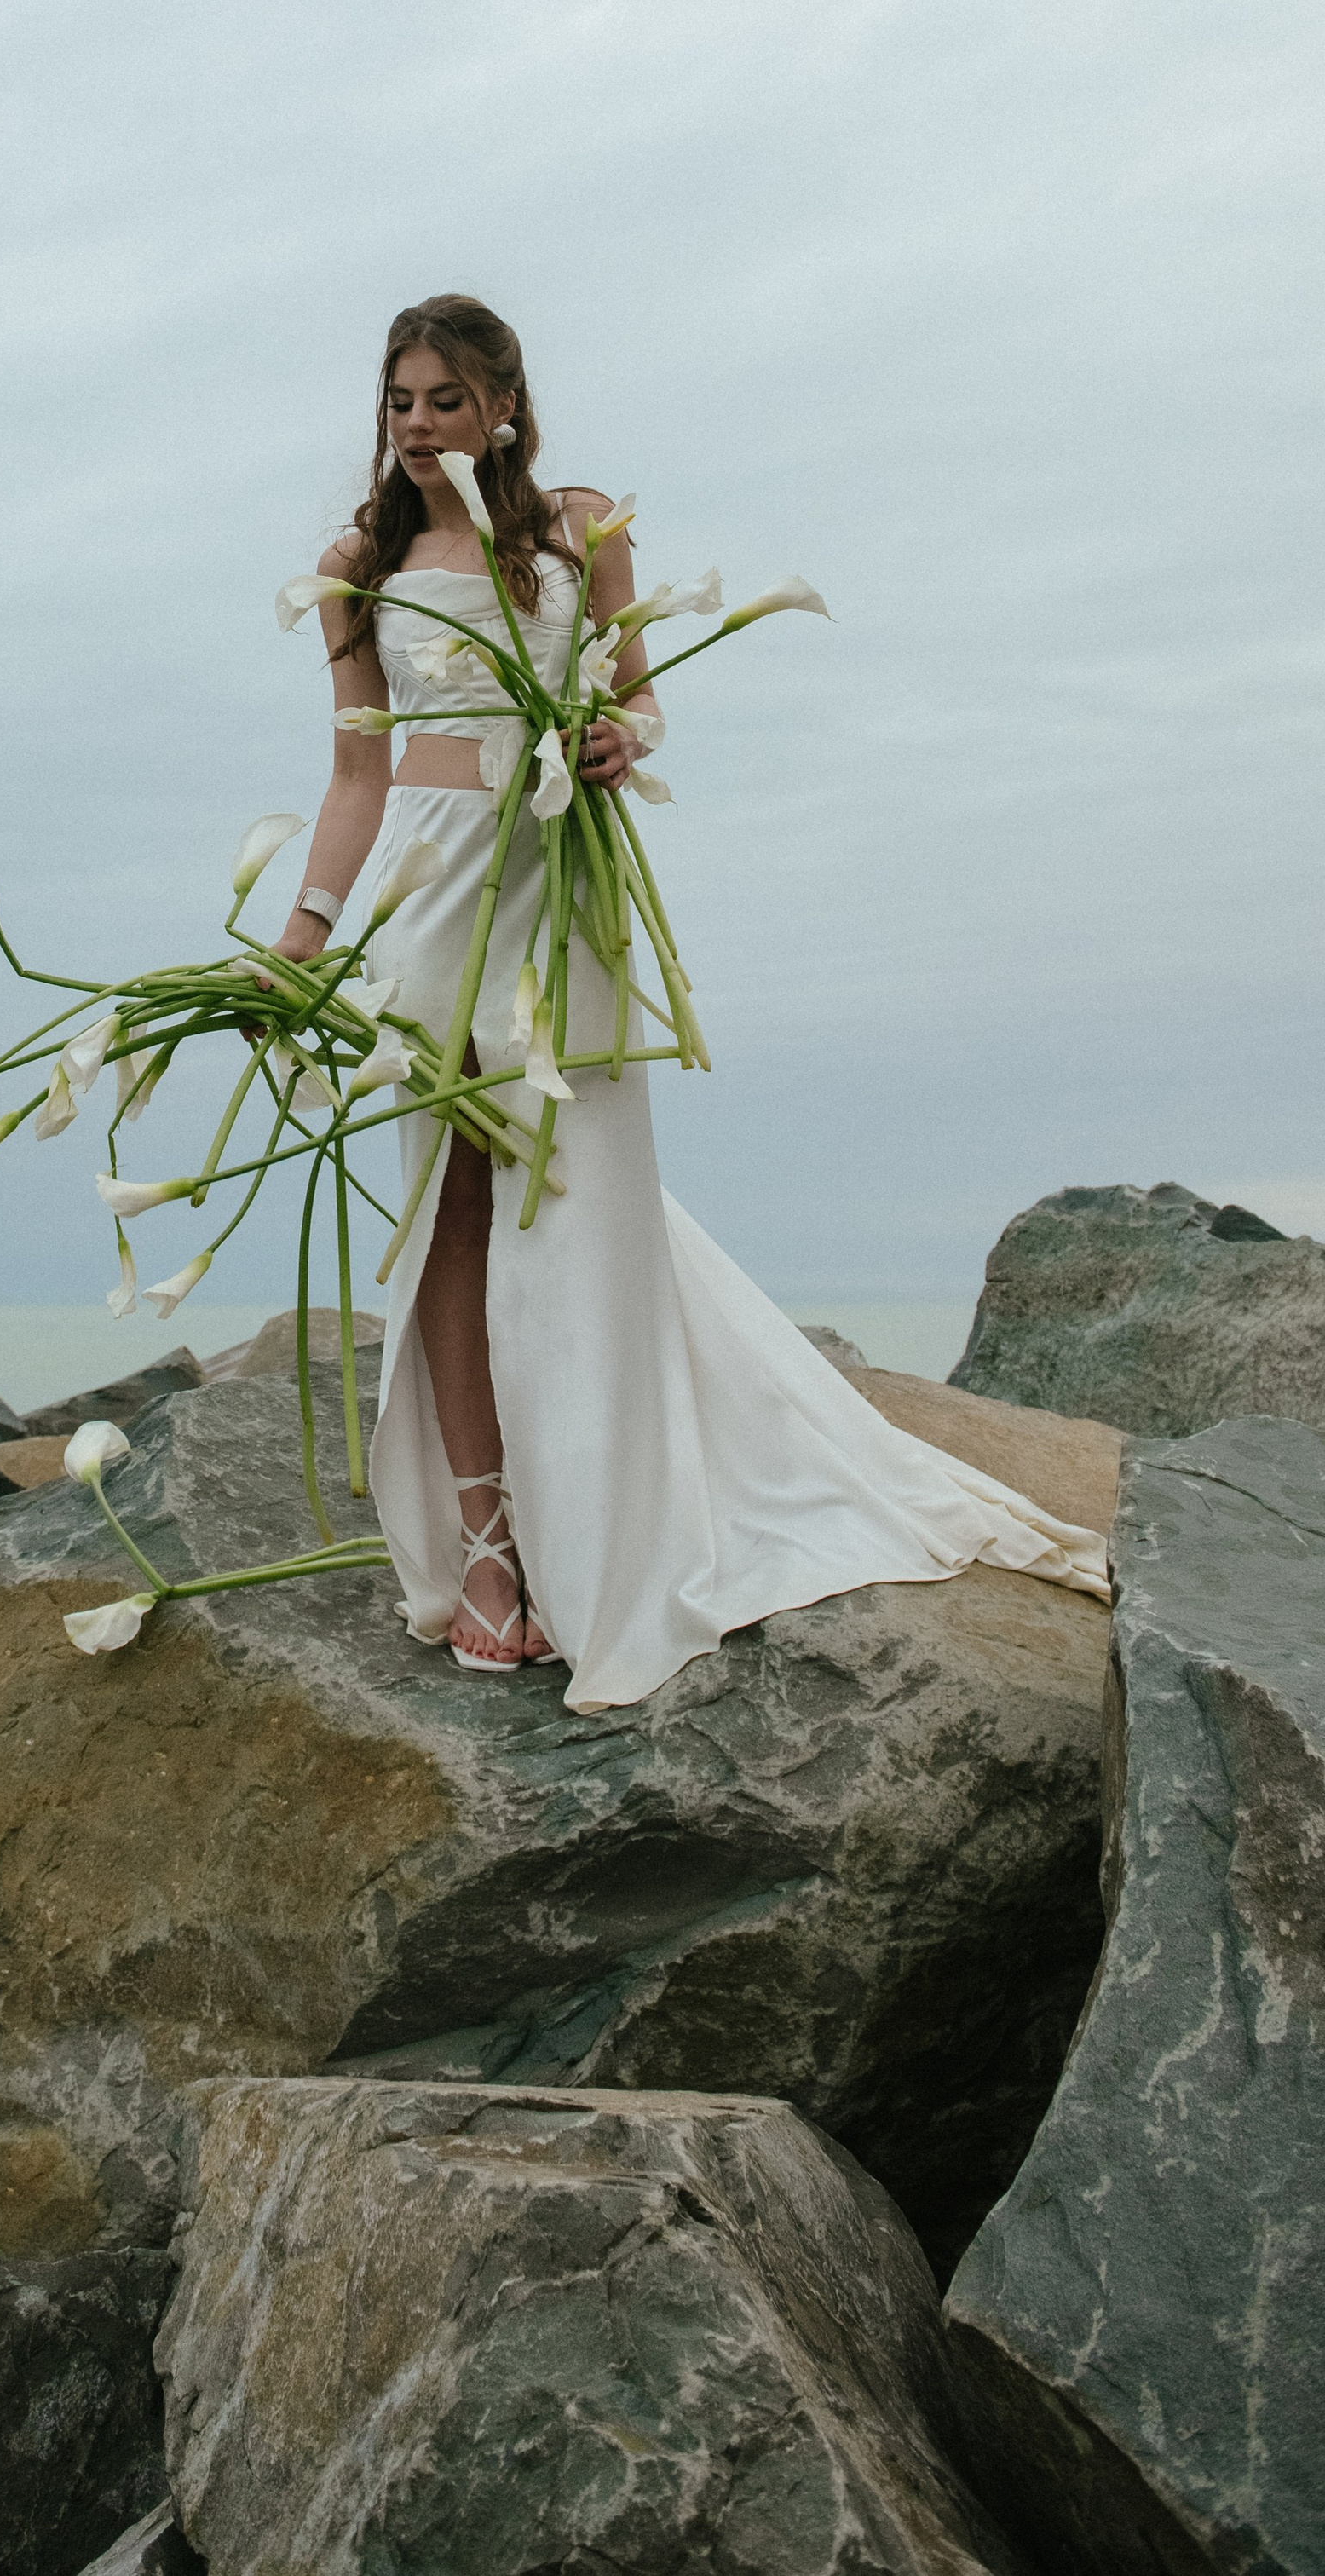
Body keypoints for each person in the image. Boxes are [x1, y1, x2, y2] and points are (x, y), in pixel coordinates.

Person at [273, 291, 1105, 1707]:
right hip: (429, 907)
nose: (417, 426)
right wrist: (304, 934)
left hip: (557, 900)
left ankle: (606, 1527)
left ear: (505, 409)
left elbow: (643, 703)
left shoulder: (580, 531)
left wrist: (610, 737)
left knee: (581, 1205)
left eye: (445, 401)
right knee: (458, 1211)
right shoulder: (360, 563)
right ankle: (487, 1543)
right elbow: (361, 774)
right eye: (399, 401)